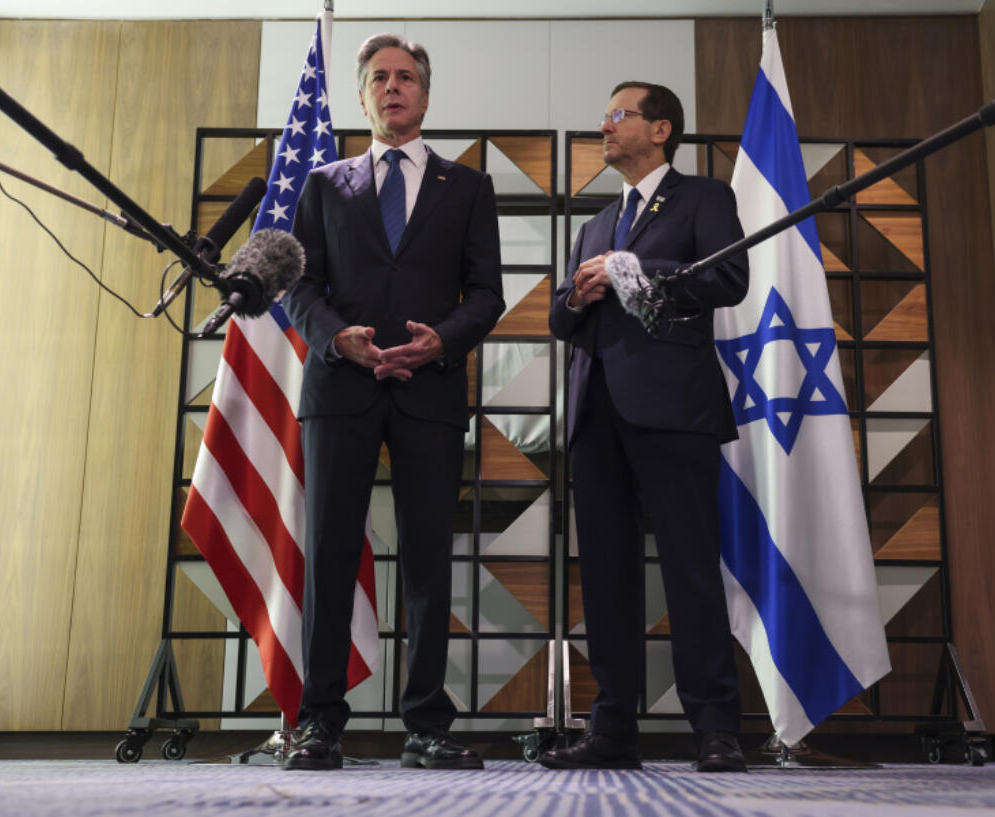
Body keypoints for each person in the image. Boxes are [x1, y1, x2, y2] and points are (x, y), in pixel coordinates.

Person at [281, 33, 504, 771]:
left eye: (406, 77)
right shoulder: (323, 183)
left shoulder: (467, 186)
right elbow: (299, 285)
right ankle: (319, 721)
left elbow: (488, 296)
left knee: (429, 561)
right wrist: (331, 337)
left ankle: (427, 723)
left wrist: (439, 342)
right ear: (363, 94)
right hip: (339, 387)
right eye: (379, 77)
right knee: (330, 553)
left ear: (426, 95)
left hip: (429, 390)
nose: (393, 87)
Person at [543, 82, 749, 773]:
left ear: (660, 129)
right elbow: (558, 320)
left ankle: (717, 727)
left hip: (674, 411)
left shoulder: (704, 199)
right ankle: (612, 729)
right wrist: (577, 292)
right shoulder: (595, 223)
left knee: (690, 569)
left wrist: (636, 269)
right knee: (605, 578)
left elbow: (728, 278)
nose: (604, 126)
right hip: (596, 414)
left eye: (617, 115)